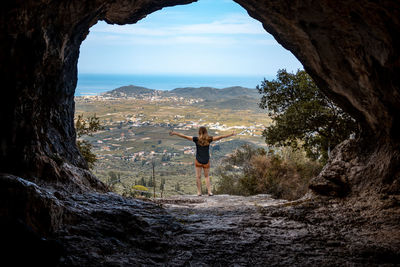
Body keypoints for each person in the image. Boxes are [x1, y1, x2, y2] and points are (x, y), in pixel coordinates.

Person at [169, 126, 236, 196]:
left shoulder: (196, 139)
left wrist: (175, 133)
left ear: (199, 132)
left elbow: (185, 136)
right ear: (206, 132)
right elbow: (221, 137)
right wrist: (230, 134)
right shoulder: (209, 139)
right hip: (206, 161)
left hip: (198, 161)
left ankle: (199, 192)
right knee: (206, 176)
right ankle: (209, 192)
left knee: (198, 176)